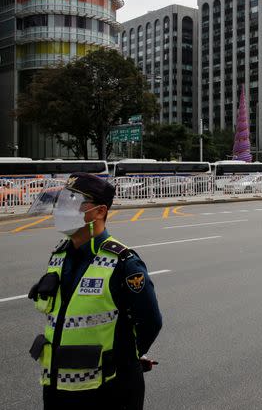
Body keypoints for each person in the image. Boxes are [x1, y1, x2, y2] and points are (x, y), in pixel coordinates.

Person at [27, 173, 162, 410]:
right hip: (57, 386)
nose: (61, 210)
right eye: (62, 202)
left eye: (73, 203)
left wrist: (127, 358)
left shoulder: (123, 262)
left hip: (108, 390)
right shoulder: (59, 256)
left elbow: (150, 321)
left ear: (100, 212)